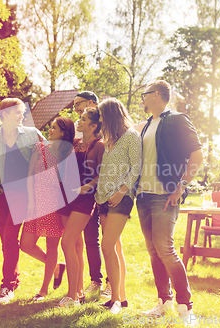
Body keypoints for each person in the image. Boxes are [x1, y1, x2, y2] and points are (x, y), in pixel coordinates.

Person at [136, 80, 203, 324]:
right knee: (154, 251)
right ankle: (164, 302)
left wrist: (181, 186)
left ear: (155, 95)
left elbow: (197, 154)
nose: (141, 100)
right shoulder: (146, 126)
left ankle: (186, 308)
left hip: (165, 195)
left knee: (165, 249)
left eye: (144, 95)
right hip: (143, 196)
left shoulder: (177, 119)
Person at [0, 98, 44, 304]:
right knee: (6, 240)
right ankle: (51, 267)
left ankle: (7, 286)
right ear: (4, 114)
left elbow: (50, 153)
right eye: (18, 112)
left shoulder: (32, 134)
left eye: (23, 112)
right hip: (1, 196)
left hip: (23, 193)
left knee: (9, 236)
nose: (22, 116)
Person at [94, 98, 142, 314]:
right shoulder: (110, 139)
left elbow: (136, 167)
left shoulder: (132, 136)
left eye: (102, 115)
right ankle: (120, 299)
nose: (100, 120)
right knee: (115, 248)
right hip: (103, 198)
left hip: (121, 198)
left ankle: (114, 300)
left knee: (107, 245)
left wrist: (121, 192)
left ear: (112, 115)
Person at [20, 117, 75, 301]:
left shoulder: (67, 153)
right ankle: (57, 266)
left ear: (63, 133)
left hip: (54, 204)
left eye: (54, 128)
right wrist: (29, 200)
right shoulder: (39, 148)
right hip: (35, 201)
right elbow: (28, 175)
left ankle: (43, 290)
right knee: (25, 244)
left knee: (52, 246)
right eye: (50, 127)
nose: (50, 130)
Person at [58, 108, 105, 307]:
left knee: (66, 242)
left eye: (83, 119)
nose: (79, 121)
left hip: (84, 198)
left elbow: (103, 174)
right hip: (66, 197)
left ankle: (72, 297)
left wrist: (87, 187)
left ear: (93, 126)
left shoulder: (99, 145)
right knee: (76, 244)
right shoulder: (75, 144)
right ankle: (78, 291)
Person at [72, 91, 109, 297]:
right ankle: (96, 279)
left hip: (103, 192)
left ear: (91, 103)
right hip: (84, 195)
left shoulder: (105, 131)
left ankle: (111, 283)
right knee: (90, 238)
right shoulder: (80, 132)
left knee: (109, 238)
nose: (76, 108)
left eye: (80, 105)